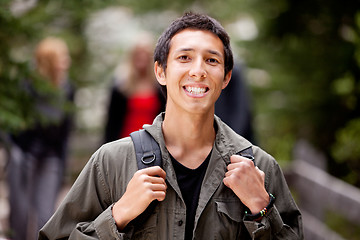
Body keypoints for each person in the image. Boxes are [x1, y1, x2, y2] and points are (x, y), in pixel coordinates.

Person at [39, 13, 303, 239]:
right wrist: (117, 216)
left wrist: (261, 208)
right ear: (160, 72)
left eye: (212, 60)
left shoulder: (260, 168)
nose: (198, 70)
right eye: (184, 58)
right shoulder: (111, 163)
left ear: (226, 77)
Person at [7, 37, 74, 240]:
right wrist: (16, 151)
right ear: (49, 60)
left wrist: (63, 159)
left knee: (46, 214)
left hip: (51, 156)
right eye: (62, 57)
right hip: (24, 153)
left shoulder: (67, 88)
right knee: (20, 213)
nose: (66, 61)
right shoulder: (27, 85)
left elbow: (67, 127)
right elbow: (15, 122)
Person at [104, 34, 166, 143]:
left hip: (153, 143)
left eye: (145, 54)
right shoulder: (120, 86)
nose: (142, 57)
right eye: (138, 54)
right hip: (125, 143)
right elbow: (111, 124)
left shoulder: (160, 86)